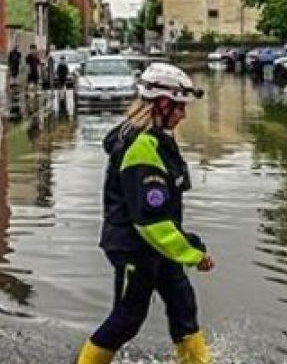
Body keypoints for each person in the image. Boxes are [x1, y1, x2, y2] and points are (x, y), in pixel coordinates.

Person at [75, 63, 214, 364]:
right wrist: (193, 253)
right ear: (162, 105)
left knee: (183, 308)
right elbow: (151, 221)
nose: (183, 115)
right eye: (179, 108)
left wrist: (183, 246)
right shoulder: (141, 147)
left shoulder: (158, 137)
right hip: (135, 248)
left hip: (159, 247)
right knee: (127, 319)